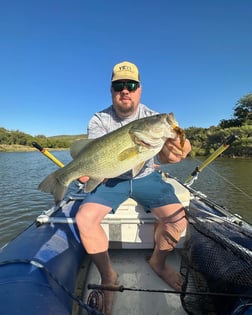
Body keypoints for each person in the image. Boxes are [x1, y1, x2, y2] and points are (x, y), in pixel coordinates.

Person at [76, 61, 191, 315]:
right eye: (119, 85)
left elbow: (170, 149)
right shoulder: (99, 119)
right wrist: (87, 174)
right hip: (110, 179)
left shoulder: (156, 118)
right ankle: (108, 275)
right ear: (111, 90)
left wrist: (179, 149)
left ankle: (158, 262)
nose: (125, 90)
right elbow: (94, 157)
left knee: (178, 219)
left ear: (139, 89)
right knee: (84, 219)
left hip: (147, 178)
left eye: (131, 85)